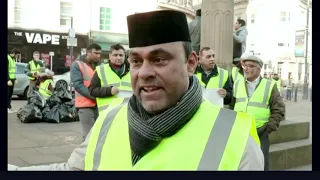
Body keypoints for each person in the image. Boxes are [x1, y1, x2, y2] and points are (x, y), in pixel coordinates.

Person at [8, 10, 264, 171]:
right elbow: (74, 169)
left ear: (190, 63)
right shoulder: (109, 120)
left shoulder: (236, 139)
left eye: (160, 59)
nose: (144, 73)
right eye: (137, 61)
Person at [229, 55, 285, 171]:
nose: (246, 69)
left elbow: (279, 109)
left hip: (260, 132)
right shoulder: (237, 83)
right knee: (239, 162)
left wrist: (268, 129)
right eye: (245, 66)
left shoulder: (269, 85)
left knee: (261, 163)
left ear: (259, 69)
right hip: (240, 131)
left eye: (251, 66)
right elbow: (232, 105)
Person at [71, 43, 101, 141]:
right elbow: (78, 85)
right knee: (89, 135)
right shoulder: (77, 64)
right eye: (96, 53)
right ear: (88, 52)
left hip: (99, 104)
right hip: (85, 105)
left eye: (99, 53)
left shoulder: (100, 66)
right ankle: (86, 155)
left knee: (99, 134)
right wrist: (94, 96)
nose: (98, 56)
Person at [88, 44, 131, 113]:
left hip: (128, 113)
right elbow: (92, 90)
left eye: (121, 55)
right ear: (110, 56)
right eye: (115, 55)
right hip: (108, 114)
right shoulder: (101, 70)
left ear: (125, 56)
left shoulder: (132, 70)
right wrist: (109, 91)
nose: (118, 58)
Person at [8, 48, 21, 113]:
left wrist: (15, 79)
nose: (17, 56)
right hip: (8, 80)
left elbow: (12, 71)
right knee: (7, 94)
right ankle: (7, 108)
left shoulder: (13, 59)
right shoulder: (8, 58)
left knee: (10, 94)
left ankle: (9, 108)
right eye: (17, 55)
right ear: (14, 53)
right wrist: (8, 80)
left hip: (12, 79)